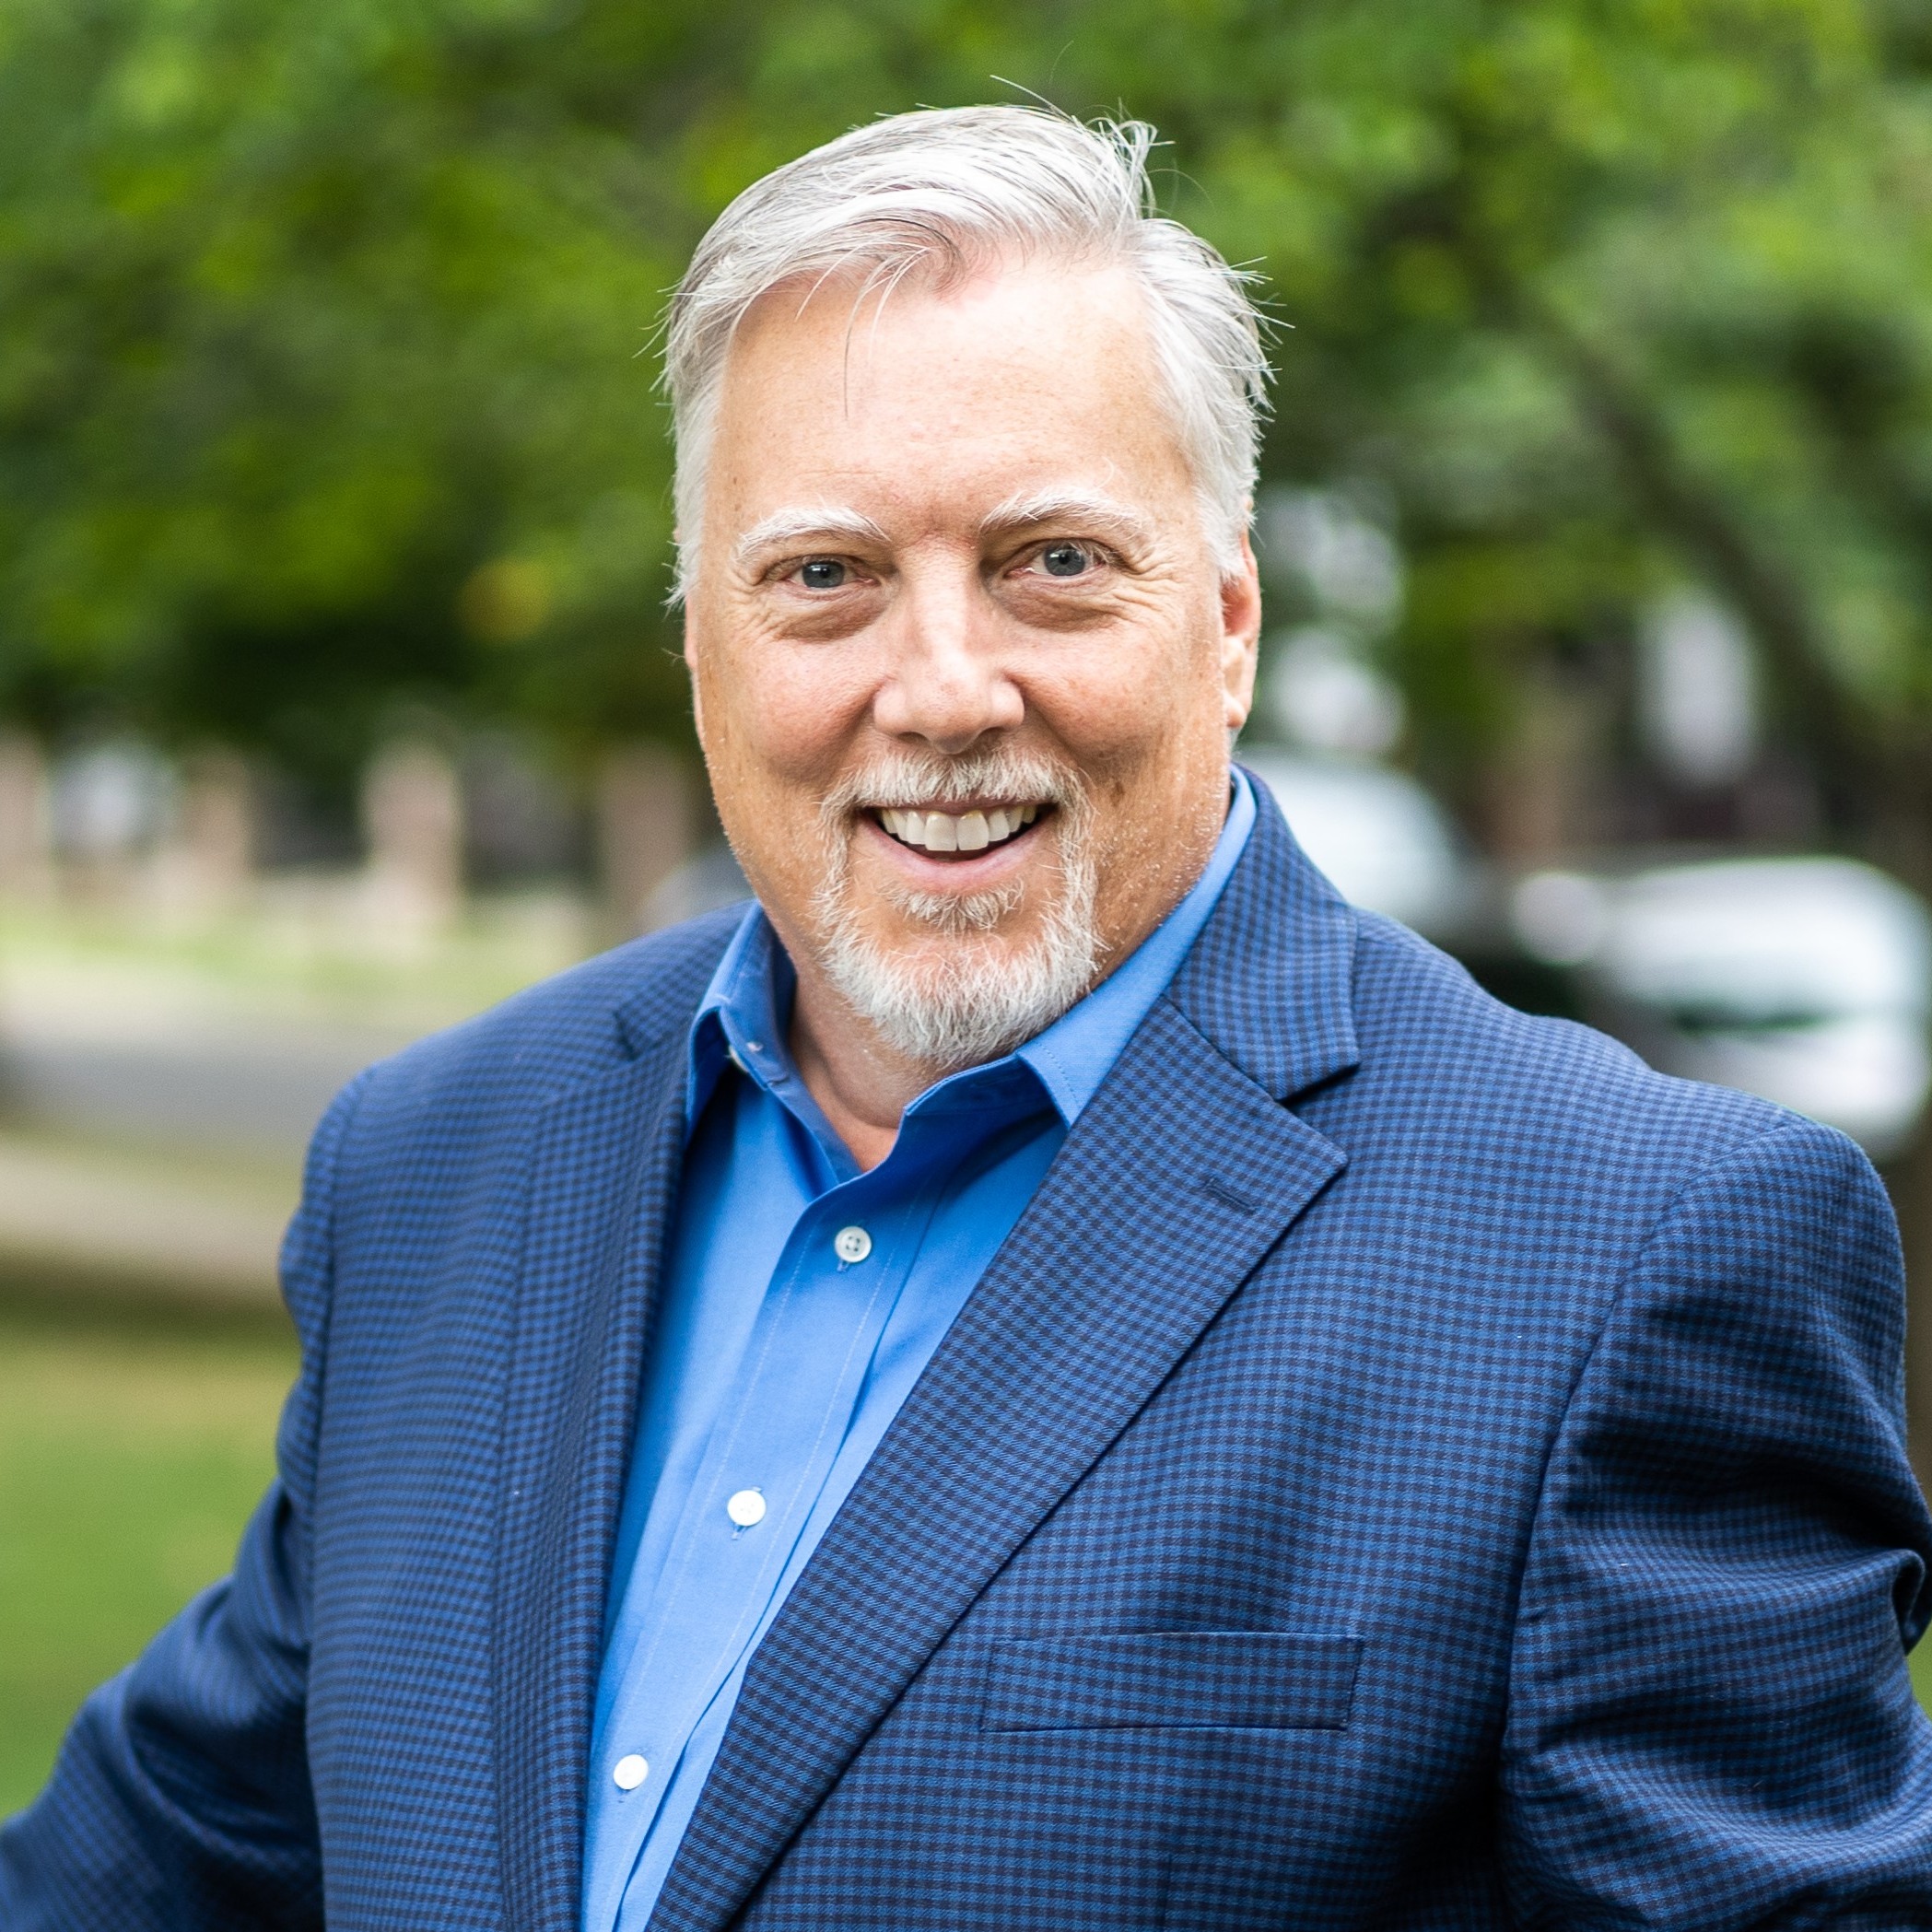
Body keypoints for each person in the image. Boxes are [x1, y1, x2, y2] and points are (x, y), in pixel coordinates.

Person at [4, 104, 1930, 1932]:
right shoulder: (436, 1160)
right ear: (700, 644)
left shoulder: (1625, 1255)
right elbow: (168, 1857)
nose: (938, 689)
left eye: (1050, 565)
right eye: (822, 577)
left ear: (1231, 618)